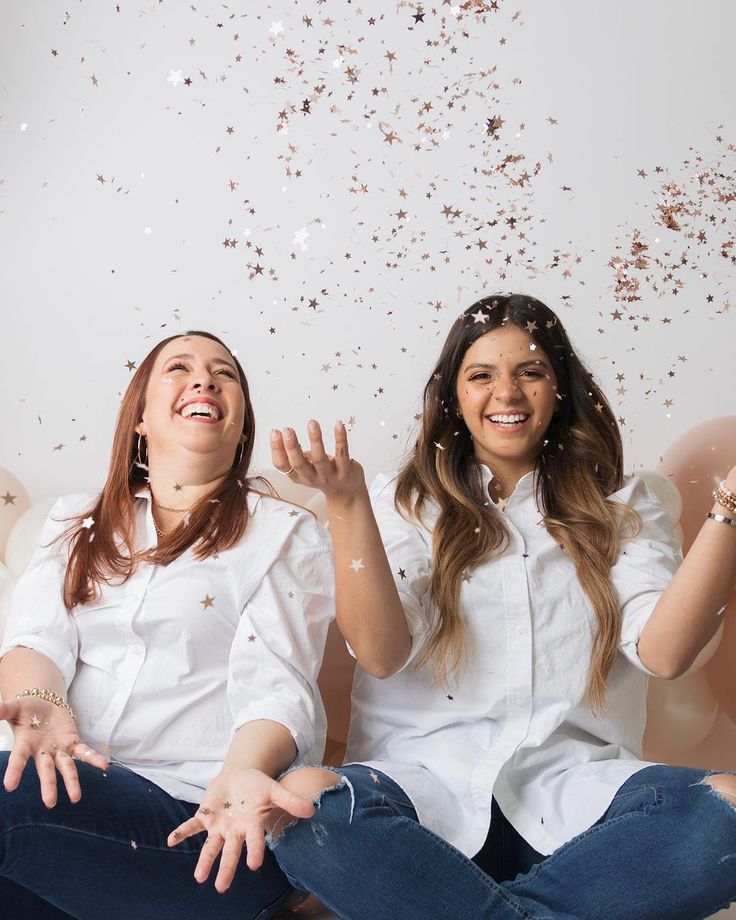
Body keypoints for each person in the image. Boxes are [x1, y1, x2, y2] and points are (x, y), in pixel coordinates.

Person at [268, 294, 736, 920]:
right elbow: (380, 653)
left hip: (581, 806)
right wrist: (348, 502)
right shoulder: (399, 503)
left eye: (531, 372)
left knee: (729, 811)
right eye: (482, 375)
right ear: (454, 396)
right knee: (302, 805)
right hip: (421, 800)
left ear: (562, 388)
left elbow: (667, 652)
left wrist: (730, 505)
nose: (507, 394)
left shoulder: (626, 501)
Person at [0, 331, 334, 920]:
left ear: (241, 425)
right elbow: (35, 639)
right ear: (141, 418)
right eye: (178, 368)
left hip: (207, 827)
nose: (204, 379)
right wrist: (40, 703)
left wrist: (240, 779)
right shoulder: (73, 523)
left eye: (224, 373)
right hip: (69, 803)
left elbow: (278, 688)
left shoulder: (284, 531)